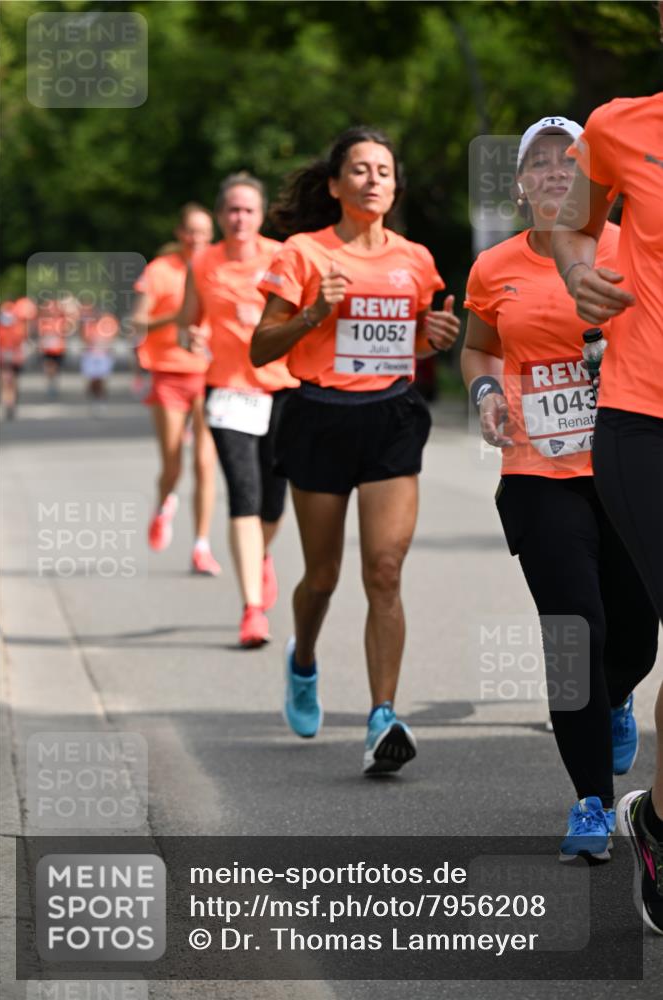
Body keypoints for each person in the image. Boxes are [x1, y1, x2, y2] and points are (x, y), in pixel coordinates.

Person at [462, 116, 659, 861]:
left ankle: (615, 698)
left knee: (634, 639)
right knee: (573, 633)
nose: (552, 172)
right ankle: (589, 803)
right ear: (518, 186)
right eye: (537, 164)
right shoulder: (493, 268)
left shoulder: (630, 246)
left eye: (566, 162)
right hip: (537, 475)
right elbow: (479, 343)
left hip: (626, 461)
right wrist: (484, 391)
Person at [251, 126, 460, 773]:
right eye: (361, 170)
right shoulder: (301, 253)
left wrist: (436, 339)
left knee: (385, 571)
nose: (374, 180)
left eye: (384, 171)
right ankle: (304, 661)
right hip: (318, 416)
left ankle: (381, 717)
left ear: (394, 187)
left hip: (391, 416)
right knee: (322, 577)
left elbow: (411, 345)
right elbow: (260, 349)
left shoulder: (416, 259)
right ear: (336, 184)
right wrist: (313, 313)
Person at [552, 77, 663, 930]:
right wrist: (579, 275)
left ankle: (653, 819)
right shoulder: (619, 127)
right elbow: (572, 224)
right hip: (642, 417)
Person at [178, 173, 298, 648]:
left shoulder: (281, 256)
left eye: (248, 210)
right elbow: (189, 320)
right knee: (243, 495)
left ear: (261, 214)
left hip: (281, 389)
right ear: (220, 213)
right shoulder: (203, 261)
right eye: (231, 209)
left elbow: (303, 318)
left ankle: (260, 555)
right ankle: (252, 610)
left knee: (274, 500)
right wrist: (193, 336)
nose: (239, 218)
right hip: (227, 391)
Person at [130, 203, 221, 576]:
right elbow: (136, 322)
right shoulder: (160, 271)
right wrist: (178, 316)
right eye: (191, 232)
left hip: (211, 374)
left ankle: (201, 545)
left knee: (205, 463)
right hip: (168, 373)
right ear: (179, 233)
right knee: (173, 463)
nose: (197, 239)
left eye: (204, 232)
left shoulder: (218, 267)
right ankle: (164, 501)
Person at [0, 297, 36, 419]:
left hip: (12, 359)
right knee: (7, 381)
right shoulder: (2, 329)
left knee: (9, 382)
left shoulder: (17, 328)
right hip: (4, 359)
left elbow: (23, 342)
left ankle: (10, 403)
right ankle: (8, 403)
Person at [80, 310, 119, 416]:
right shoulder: (88, 325)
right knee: (92, 380)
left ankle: (101, 400)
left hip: (104, 356)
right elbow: (84, 339)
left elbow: (112, 338)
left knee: (101, 380)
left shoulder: (108, 324)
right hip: (91, 355)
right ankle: (94, 398)